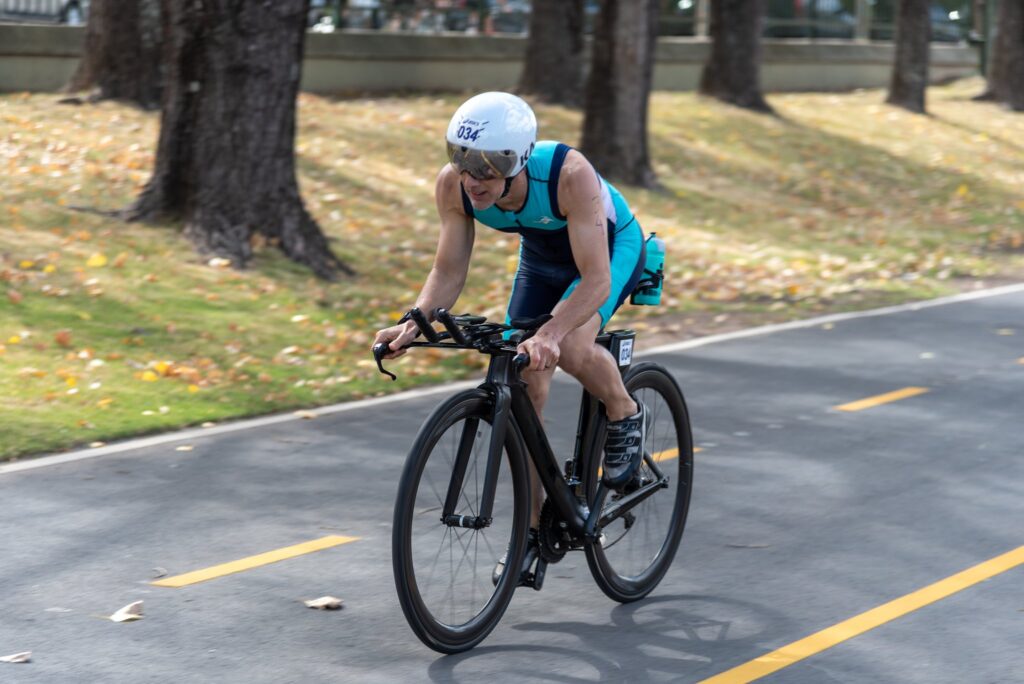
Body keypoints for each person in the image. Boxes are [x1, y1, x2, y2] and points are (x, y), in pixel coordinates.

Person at [372, 91, 649, 584]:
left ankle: (623, 410)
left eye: (488, 167)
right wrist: (413, 323)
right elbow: (447, 271)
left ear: (519, 159)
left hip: (607, 253)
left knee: (571, 346)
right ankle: (534, 533)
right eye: (461, 160)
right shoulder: (453, 186)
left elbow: (595, 281)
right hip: (542, 262)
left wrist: (551, 332)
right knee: (524, 383)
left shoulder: (568, 174)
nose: (472, 179)